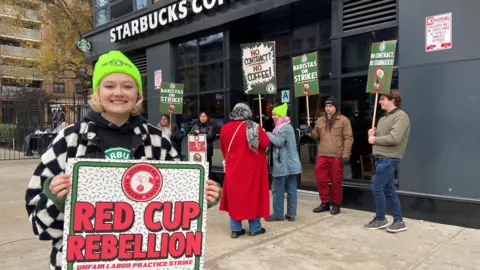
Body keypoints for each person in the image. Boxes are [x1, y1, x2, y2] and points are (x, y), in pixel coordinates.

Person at [24, 50, 221, 270]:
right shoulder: (69, 139)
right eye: (109, 85)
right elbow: (39, 227)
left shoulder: (158, 141)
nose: (119, 92)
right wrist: (56, 199)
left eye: (127, 85)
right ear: (97, 91)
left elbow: (176, 214)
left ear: (137, 92)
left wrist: (199, 199)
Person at [219, 103, 270, 238]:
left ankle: (236, 229)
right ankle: (255, 228)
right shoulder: (253, 127)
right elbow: (265, 143)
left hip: (233, 169)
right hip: (253, 169)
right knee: (254, 196)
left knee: (235, 197)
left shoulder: (225, 128)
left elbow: (224, 149)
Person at [364, 89, 410, 233]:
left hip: (389, 158)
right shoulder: (383, 118)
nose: (379, 101)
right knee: (389, 190)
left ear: (393, 100)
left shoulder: (401, 117)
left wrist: (375, 139)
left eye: (382, 99)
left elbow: (394, 138)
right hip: (381, 157)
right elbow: (380, 137)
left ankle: (380, 219)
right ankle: (398, 220)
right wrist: (372, 134)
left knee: (377, 187)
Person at [309, 96, 353, 215]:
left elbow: (348, 138)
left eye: (330, 106)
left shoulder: (343, 120)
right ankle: (325, 203)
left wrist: (346, 154)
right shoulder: (320, 121)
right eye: (326, 106)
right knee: (320, 179)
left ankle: (336, 204)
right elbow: (316, 136)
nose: (328, 108)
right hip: (322, 154)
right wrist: (310, 131)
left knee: (336, 181)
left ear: (335, 107)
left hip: (336, 155)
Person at [264, 103, 302, 222]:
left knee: (277, 190)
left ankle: (278, 214)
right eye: (273, 115)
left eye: (275, 115)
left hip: (284, 165)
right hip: (292, 165)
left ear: (281, 115)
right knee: (291, 190)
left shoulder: (283, 128)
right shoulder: (287, 126)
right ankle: (291, 214)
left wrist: (268, 133)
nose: (273, 117)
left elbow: (279, 142)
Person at [191, 112, 216, 178]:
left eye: (204, 116)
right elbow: (189, 135)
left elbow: (210, 136)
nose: (203, 117)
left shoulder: (211, 126)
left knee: (207, 168)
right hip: (196, 150)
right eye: (201, 116)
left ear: (207, 118)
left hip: (207, 151)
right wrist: (193, 133)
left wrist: (200, 132)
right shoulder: (195, 126)